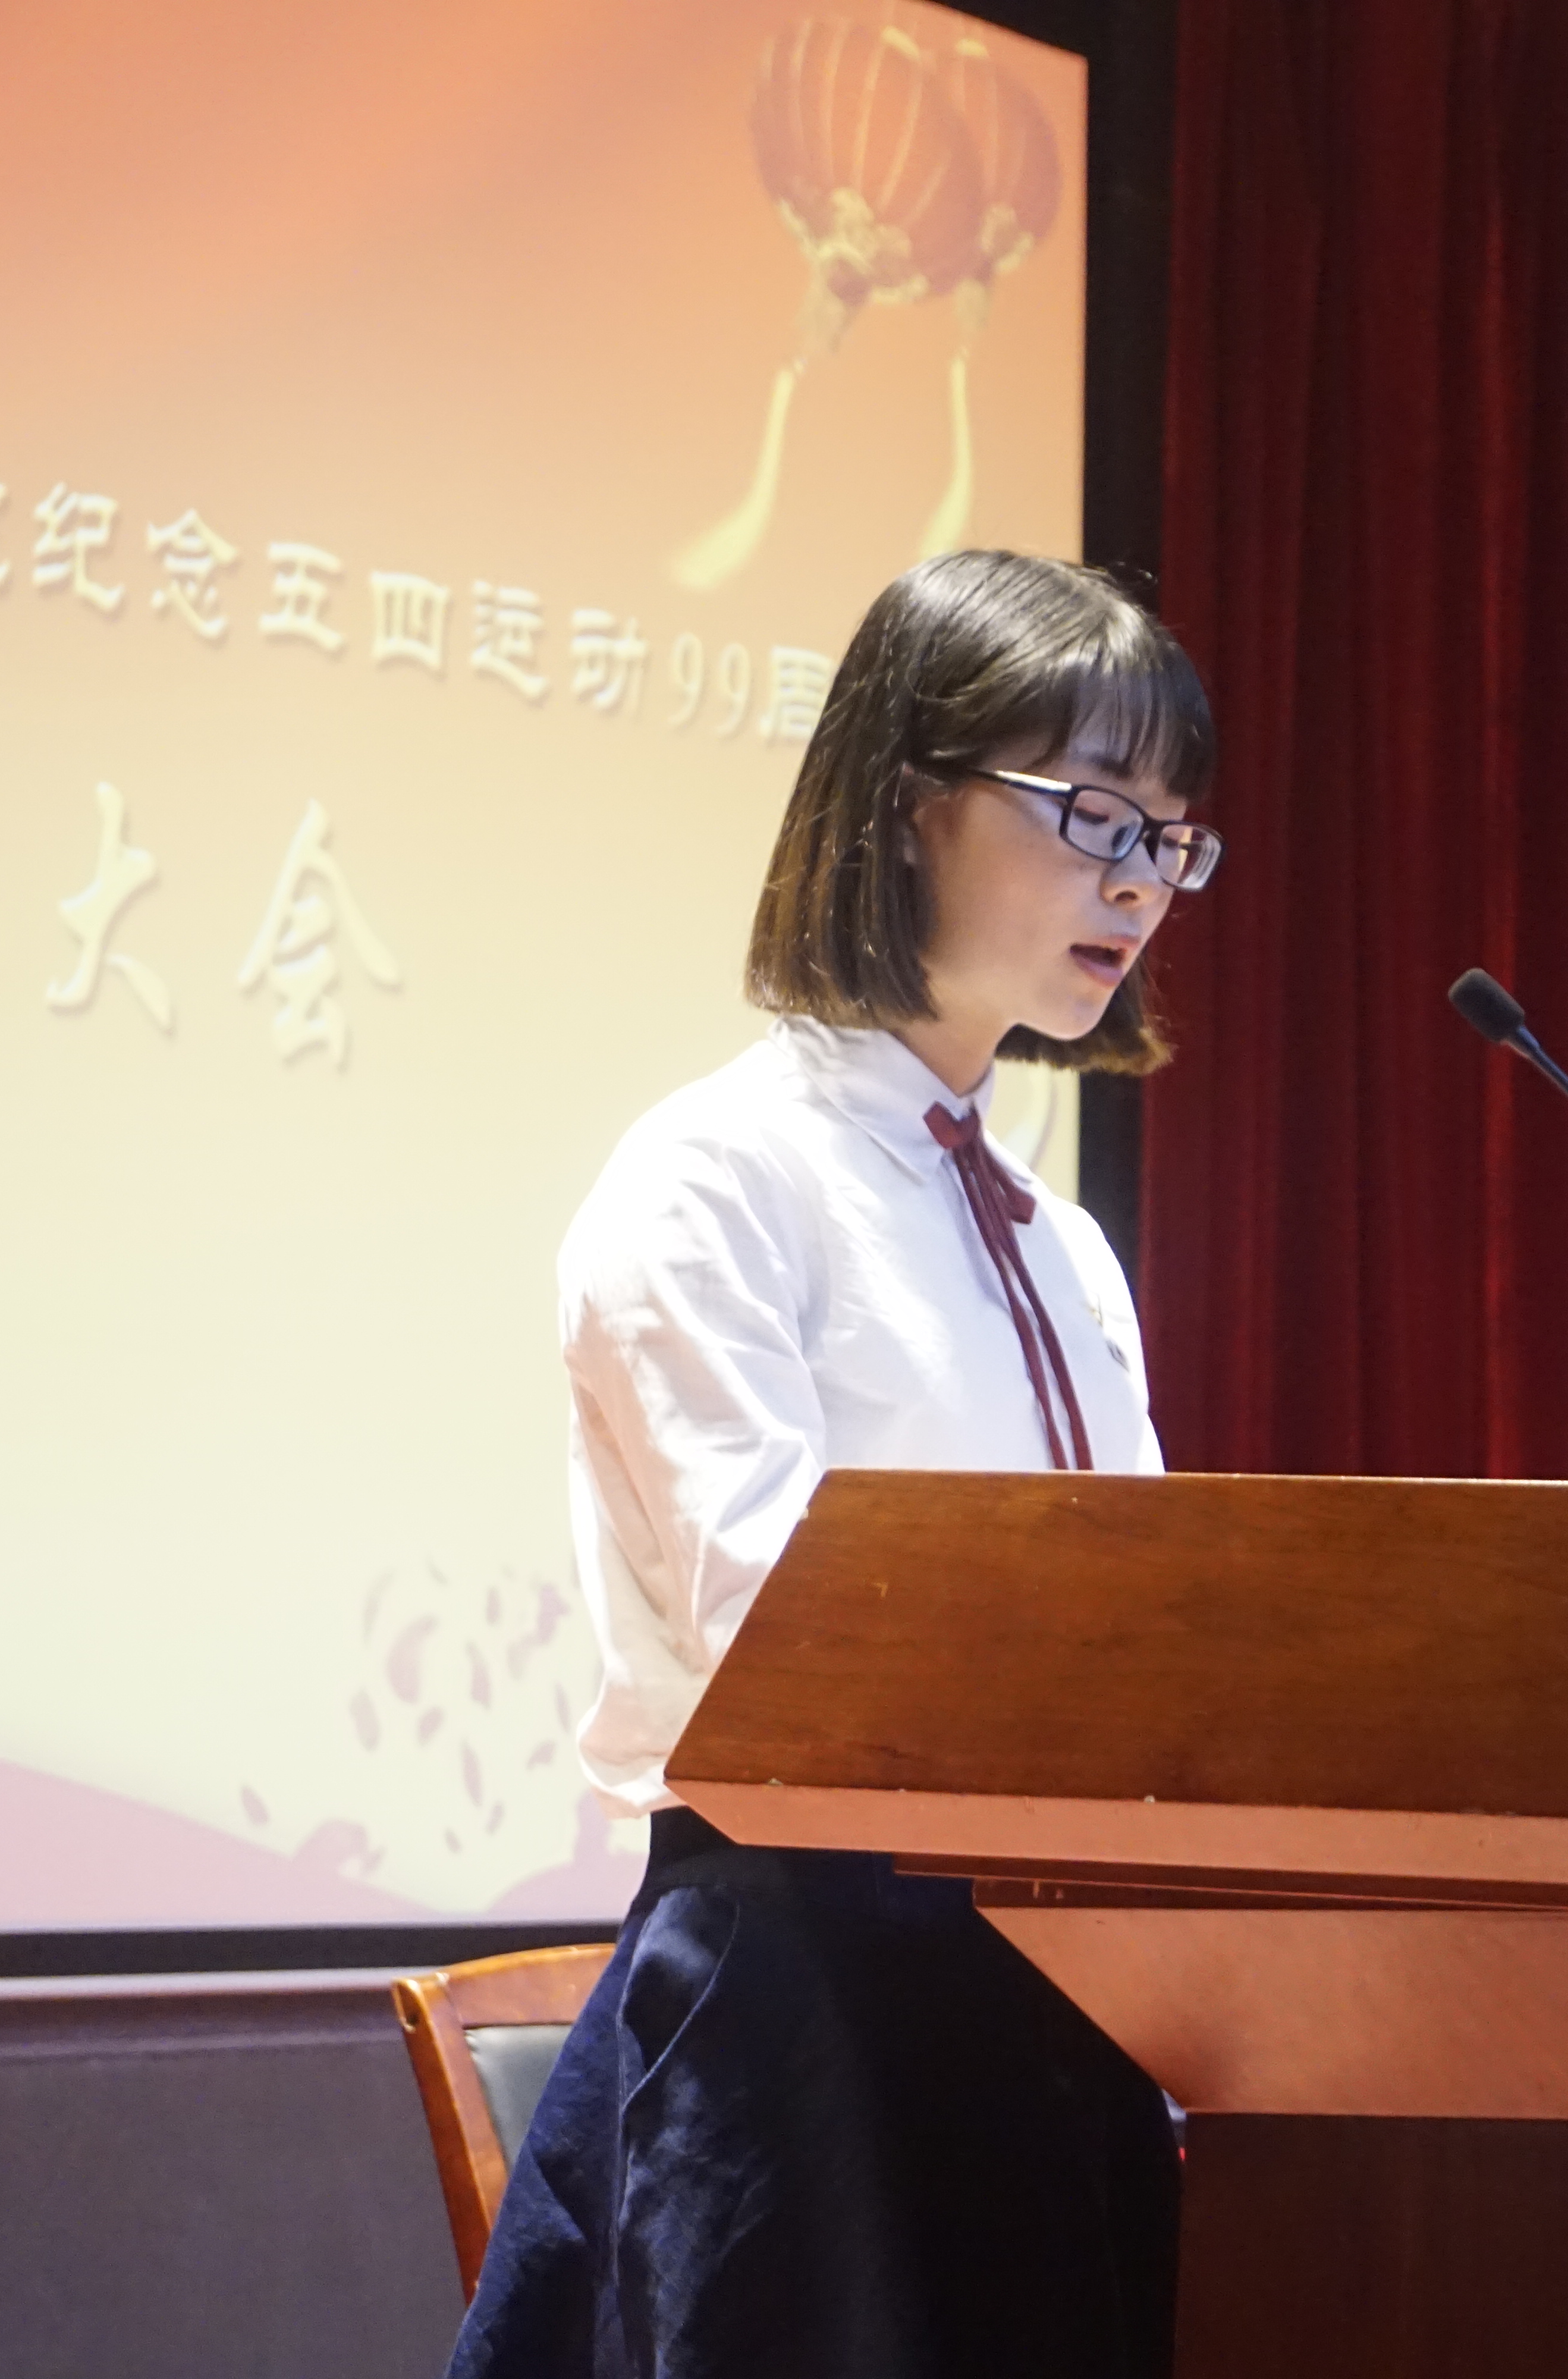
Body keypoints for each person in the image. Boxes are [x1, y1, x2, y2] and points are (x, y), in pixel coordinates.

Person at [447, 553, 1227, 2379]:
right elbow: (783, 1645)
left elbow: (1161, 1632)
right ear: (906, 803)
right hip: (806, 1995)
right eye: (1092, 813)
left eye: (1170, 836)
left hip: (1062, 1994)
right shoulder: (715, 1179)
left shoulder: (1059, 1241)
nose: (1137, 880)